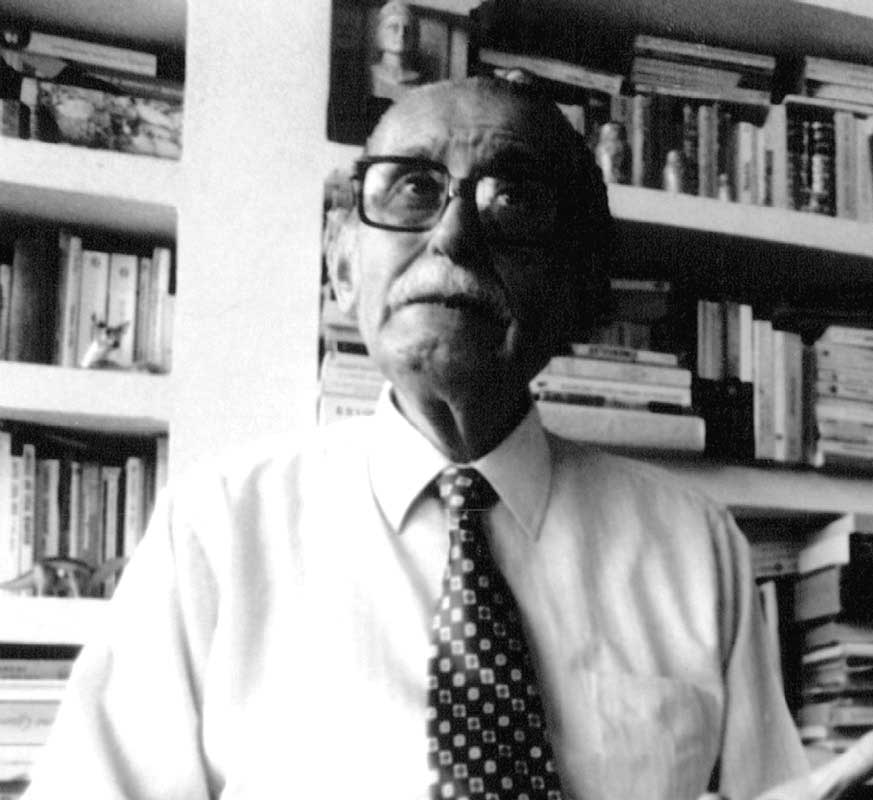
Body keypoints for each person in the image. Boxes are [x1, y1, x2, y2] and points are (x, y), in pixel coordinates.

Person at [26, 75, 818, 799]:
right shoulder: (215, 530)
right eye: (412, 188)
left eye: (512, 199)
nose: (454, 235)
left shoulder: (697, 547)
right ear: (343, 268)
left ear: (581, 291)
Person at [369, 0, 424, 101]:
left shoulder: (419, 81)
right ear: (379, 34)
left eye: (406, 29)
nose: (401, 34)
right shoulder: (369, 76)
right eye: (394, 27)